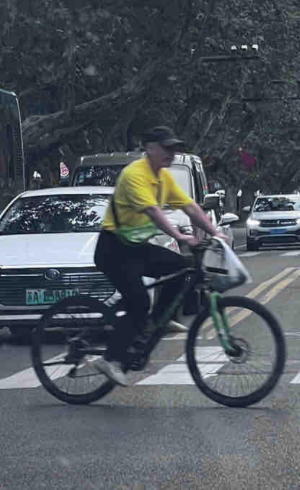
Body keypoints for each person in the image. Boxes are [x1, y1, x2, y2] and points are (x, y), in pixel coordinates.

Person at [93, 126, 225, 386]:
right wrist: (180, 236)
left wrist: (216, 232)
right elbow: (153, 212)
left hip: (136, 247)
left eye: (174, 149)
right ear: (149, 148)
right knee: (139, 302)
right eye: (166, 148)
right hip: (113, 249)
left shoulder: (163, 178)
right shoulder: (134, 175)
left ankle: (158, 322)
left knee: (182, 268)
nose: (172, 153)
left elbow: (190, 207)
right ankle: (110, 359)